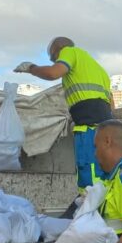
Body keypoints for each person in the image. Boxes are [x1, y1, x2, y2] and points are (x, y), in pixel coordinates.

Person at [14, 37, 113, 195]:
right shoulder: (98, 70)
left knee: (89, 175)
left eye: (53, 56)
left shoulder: (70, 52)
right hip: (106, 127)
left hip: (89, 127)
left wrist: (31, 67)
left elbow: (53, 73)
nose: (53, 60)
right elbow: (110, 102)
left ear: (57, 49)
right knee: (103, 173)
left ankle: (88, 211)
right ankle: (98, 211)